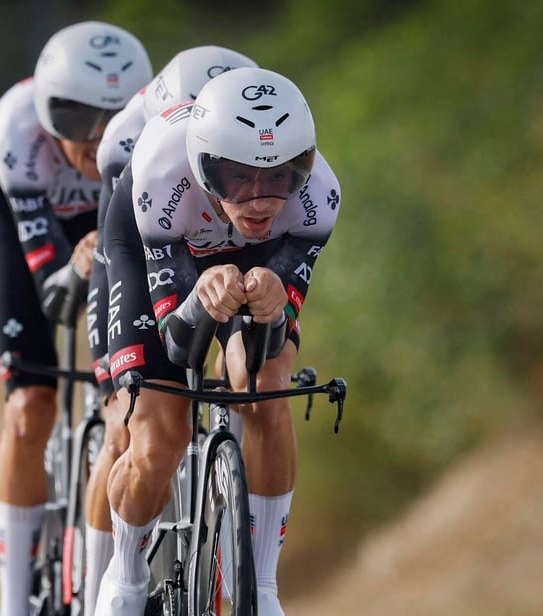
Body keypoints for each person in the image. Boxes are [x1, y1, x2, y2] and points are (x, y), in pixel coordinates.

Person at [93, 67, 342, 616]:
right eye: (237, 178)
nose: (258, 200)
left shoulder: (318, 199)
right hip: (159, 243)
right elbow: (179, 345)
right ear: (206, 167)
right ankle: (128, 575)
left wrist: (276, 299)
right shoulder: (162, 174)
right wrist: (196, 301)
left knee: (265, 388)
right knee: (160, 434)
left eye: (279, 177)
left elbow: (268, 337)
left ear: (303, 168)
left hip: (255, 261)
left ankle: (261, 586)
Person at [0, 20, 150, 616]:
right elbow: (55, 296)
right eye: (79, 122)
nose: (98, 138)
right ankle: (15, 604)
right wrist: (77, 269)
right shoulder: (15, 131)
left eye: (115, 117)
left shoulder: (148, 138)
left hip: (113, 227)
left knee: (133, 401)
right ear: (50, 114)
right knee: (30, 407)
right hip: (35, 236)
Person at [81, 45, 257, 616]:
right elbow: (134, 256)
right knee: (144, 427)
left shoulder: (260, 151)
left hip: (223, 237)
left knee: (253, 387)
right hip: (142, 240)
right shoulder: (137, 144)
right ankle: (117, 580)